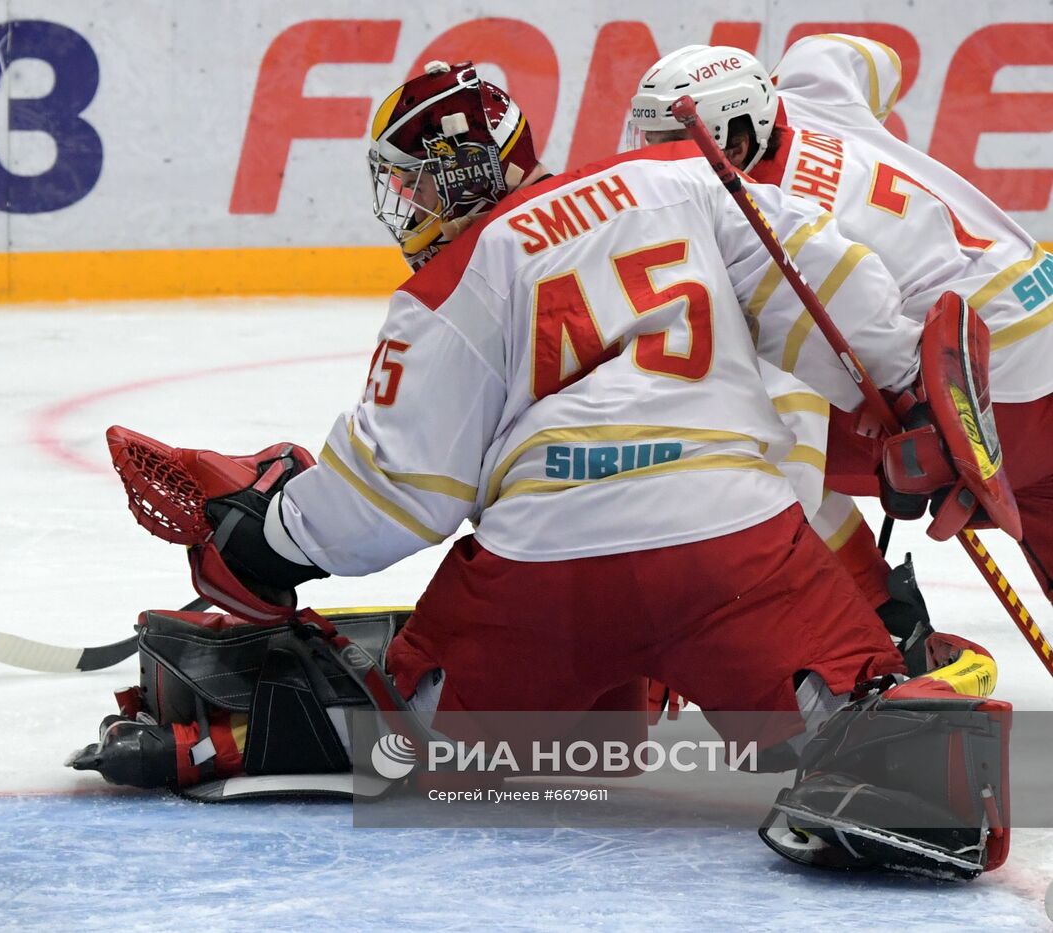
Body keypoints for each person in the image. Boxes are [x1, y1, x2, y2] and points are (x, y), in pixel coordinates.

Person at [70, 61, 1013, 878]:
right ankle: (894, 757)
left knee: (416, 734)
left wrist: (268, 539)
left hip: (549, 576)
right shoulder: (678, 179)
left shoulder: (454, 281)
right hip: (733, 550)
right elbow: (826, 281)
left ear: (460, 176)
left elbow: (393, 493)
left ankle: (229, 731)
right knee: (853, 720)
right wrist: (909, 395)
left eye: (415, 189)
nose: (410, 212)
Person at [628, 40, 1053, 634]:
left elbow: (853, 321)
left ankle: (879, 620)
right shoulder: (811, 89)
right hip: (1038, 302)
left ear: (739, 144)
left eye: (670, 143)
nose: (654, 159)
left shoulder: (763, 220)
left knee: (735, 443)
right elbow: (867, 57)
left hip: (985, 398)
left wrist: (914, 412)